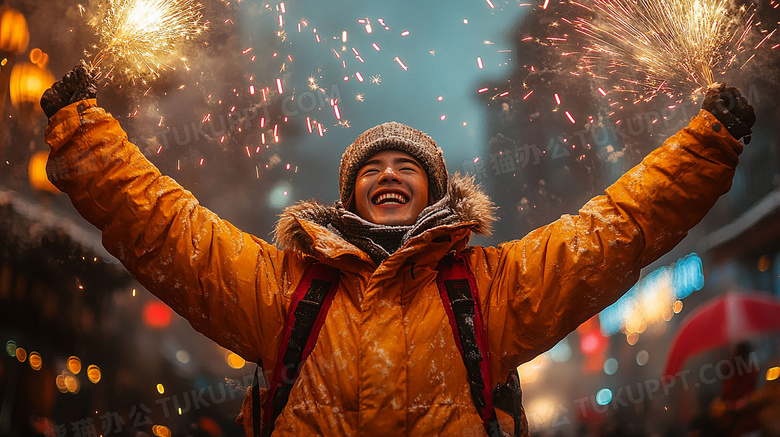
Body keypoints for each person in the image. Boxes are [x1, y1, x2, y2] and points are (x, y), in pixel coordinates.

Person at [41, 61, 755, 436]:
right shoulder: (282, 284)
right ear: (349, 197)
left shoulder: (490, 284)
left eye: (405, 166)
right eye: (371, 170)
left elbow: (614, 231)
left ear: (435, 191)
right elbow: (166, 229)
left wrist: (706, 144)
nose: (387, 174)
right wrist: (83, 131)